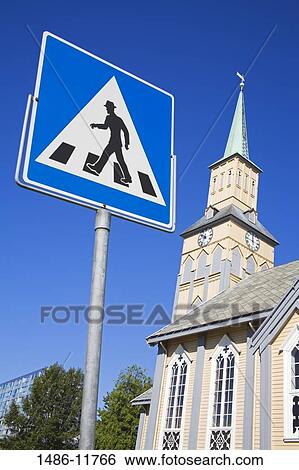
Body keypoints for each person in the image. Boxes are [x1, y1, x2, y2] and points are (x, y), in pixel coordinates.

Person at [87, 100, 132, 184]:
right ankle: (98, 168)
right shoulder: (112, 118)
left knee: (111, 157)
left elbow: (125, 131)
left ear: (111, 108)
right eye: (106, 108)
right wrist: (96, 125)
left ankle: (98, 168)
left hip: (115, 143)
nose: (107, 109)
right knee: (115, 158)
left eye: (108, 108)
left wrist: (127, 143)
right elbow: (105, 127)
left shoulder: (116, 119)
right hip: (115, 142)